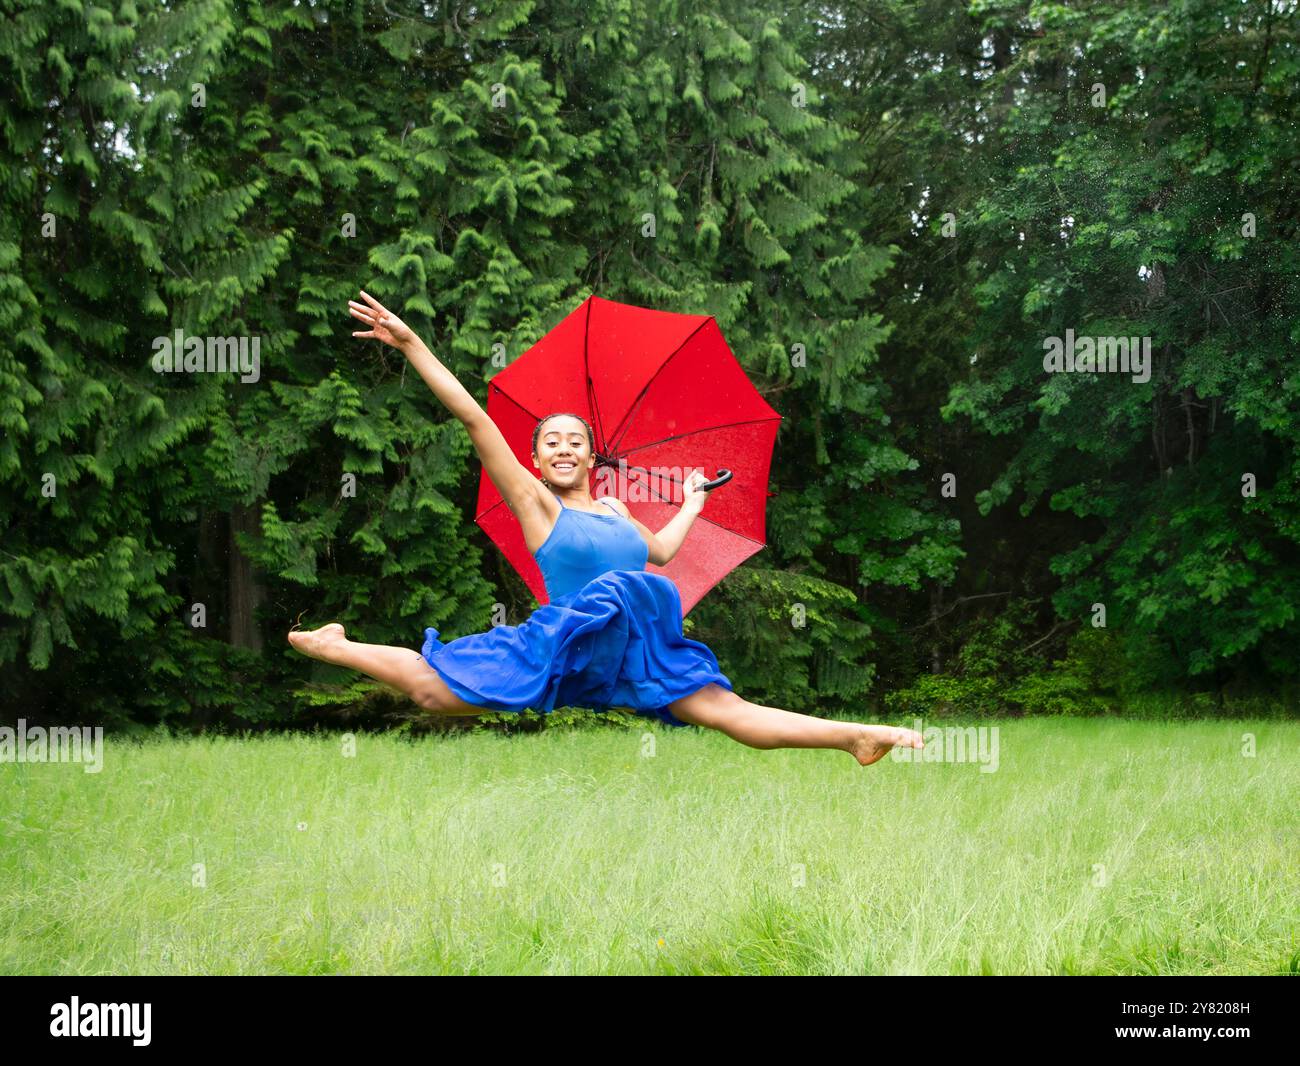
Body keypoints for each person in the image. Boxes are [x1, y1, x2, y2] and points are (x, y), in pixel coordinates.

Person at [287, 290, 923, 766]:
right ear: (535, 460)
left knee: (728, 713)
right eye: (550, 443)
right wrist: (412, 345)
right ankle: (334, 645)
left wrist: (693, 503)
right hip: (567, 642)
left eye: (575, 441)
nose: (563, 449)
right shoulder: (537, 504)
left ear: (593, 457)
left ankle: (856, 738)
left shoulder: (618, 511)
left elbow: (664, 555)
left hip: (636, 648)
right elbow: (478, 421)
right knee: (433, 693)